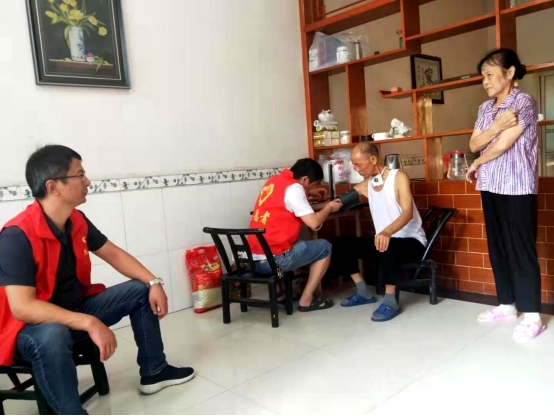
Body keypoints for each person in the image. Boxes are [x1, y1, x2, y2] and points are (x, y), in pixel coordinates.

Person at [0, 145, 195, 414]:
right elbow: (23, 308)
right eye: (80, 175)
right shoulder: (16, 236)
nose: (88, 181)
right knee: (52, 333)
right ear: (53, 186)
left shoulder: (76, 220)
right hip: (27, 330)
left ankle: (155, 371)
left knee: (140, 290)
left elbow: (113, 253)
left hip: (73, 310)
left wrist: (153, 282)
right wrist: (88, 322)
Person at [466, 48, 544, 342]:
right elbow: (474, 143)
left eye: (489, 74)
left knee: (521, 247)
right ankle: (507, 305)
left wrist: (477, 162)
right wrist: (497, 126)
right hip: (490, 184)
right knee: (497, 244)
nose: (485, 81)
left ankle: (533, 315)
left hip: (517, 185)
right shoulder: (485, 108)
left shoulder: (523, 102)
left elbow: (503, 145)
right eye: (482, 76)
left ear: (509, 73)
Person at [331, 143, 427, 322]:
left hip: (411, 242)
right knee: (340, 243)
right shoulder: (367, 184)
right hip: (384, 242)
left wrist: (387, 232)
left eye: (358, 164)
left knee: (388, 245)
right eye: (354, 165)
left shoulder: (399, 177)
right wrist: (312, 208)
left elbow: (408, 213)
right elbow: (338, 203)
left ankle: (390, 301)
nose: (355, 169)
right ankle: (363, 291)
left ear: (373, 159)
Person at [248, 158, 342, 312]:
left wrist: (308, 193)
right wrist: (330, 207)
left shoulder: (275, 181)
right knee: (324, 247)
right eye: (314, 184)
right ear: (304, 179)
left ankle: (281, 293)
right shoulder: (295, 189)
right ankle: (306, 299)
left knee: (295, 243)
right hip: (274, 261)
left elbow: (291, 204)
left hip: (253, 259)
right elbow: (313, 223)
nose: (314, 188)